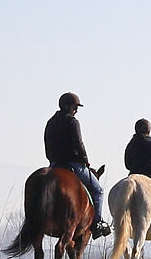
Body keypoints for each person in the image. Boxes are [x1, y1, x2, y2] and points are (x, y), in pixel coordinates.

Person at [44, 92, 110, 238]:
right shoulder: (73, 122)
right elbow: (78, 143)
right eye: (75, 107)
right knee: (98, 190)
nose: (76, 110)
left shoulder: (50, 122)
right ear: (68, 106)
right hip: (73, 165)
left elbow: (47, 145)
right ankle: (97, 223)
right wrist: (85, 159)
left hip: (54, 164)